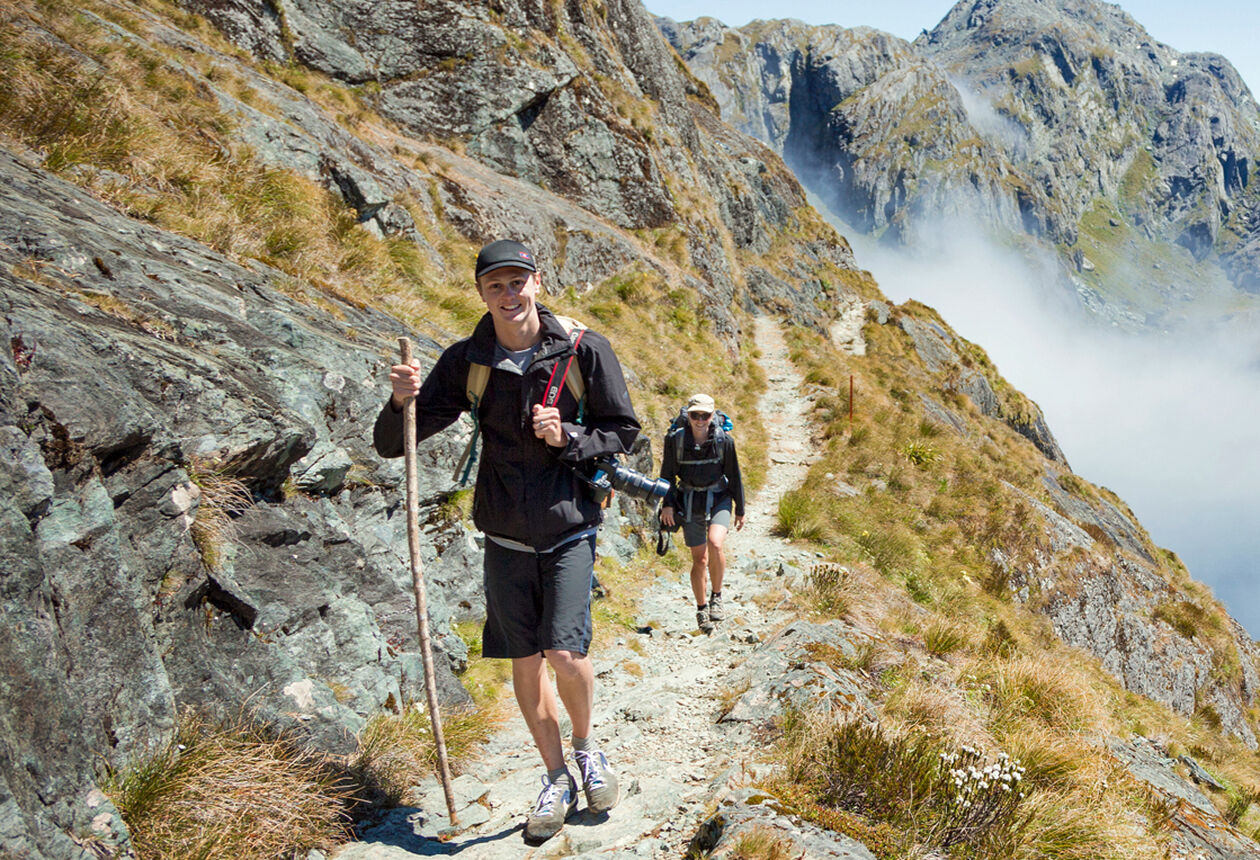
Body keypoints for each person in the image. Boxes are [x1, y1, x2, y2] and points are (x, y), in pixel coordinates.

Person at [373, 239, 639, 844]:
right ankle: (555, 779)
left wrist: (568, 438)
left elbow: (622, 431)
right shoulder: (469, 361)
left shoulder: (581, 349)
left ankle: (586, 748)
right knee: (524, 663)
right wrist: (400, 401)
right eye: (496, 285)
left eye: (518, 282)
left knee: (565, 654)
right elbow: (395, 442)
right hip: (504, 534)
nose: (509, 294)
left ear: (537, 284)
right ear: (482, 294)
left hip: (570, 526)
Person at [658, 393, 745, 633]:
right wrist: (668, 504)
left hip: (719, 497)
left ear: (712, 415)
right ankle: (701, 608)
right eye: (695, 415)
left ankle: (717, 596)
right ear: (688, 415)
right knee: (700, 559)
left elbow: (734, 474)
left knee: (715, 543)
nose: (699, 420)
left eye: (705, 416)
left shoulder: (723, 441)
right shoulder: (675, 440)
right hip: (689, 500)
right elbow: (666, 474)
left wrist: (740, 508)